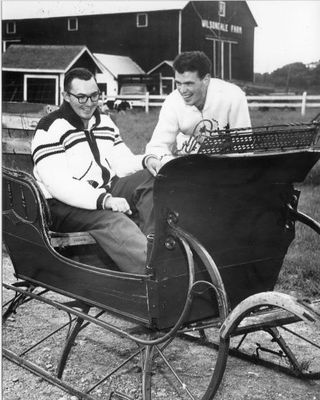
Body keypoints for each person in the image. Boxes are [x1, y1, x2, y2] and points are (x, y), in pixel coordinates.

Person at [32, 68, 155, 274]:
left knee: (150, 179)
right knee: (113, 220)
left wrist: (146, 160)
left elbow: (121, 161)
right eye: (81, 97)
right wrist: (104, 200)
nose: (89, 103)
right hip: (63, 206)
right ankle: (151, 273)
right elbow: (59, 184)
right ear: (66, 96)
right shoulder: (50, 128)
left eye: (94, 96)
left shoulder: (104, 122)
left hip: (103, 193)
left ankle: (156, 248)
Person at [145, 51, 252, 175]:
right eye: (178, 83)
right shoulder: (172, 101)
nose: (182, 90)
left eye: (189, 83)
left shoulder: (233, 95)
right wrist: (166, 163)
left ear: (206, 79)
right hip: (186, 171)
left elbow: (245, 146)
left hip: (226, 170)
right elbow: (157, 145)